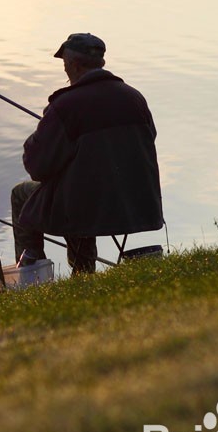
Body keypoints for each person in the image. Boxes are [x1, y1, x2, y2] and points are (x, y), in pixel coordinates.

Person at [11, 33, 162, 275]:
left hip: (87, 207)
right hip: (135, 202)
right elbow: (147, 140)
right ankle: (83, 270)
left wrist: (36, 137)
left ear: (74, 64)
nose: (65, 70)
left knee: (22, 194)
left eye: (64, 64)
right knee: (80, 185)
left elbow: (36, 166)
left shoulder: (65, 105)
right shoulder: (134, 98)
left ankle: (33, 274)